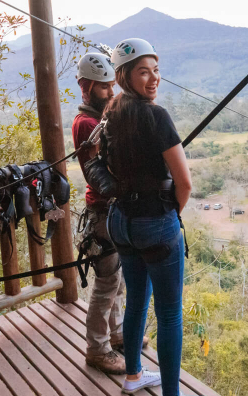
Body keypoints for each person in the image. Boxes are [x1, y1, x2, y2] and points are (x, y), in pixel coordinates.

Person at [103, 38, 192, 396]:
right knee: (169, 313)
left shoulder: (112, 111)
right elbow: (183, 183)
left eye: (156, 70)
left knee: (137, 299)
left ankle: (134, 375)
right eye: (144, 72)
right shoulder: (157, 116)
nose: (153, 78)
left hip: (120, 221)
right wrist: (169, 215)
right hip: (153, 222)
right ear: (125, 75)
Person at [72, 52, 147, 375]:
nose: (110, 92)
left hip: (110, 207)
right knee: (106, 283)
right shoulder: (87, 123)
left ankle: (115, 334)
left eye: (111, 86)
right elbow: (100, 169)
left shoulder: (98, 117)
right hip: (103, 209)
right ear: (87, 86)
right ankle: (97, 348)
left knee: (116, 281)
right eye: (104, 87)